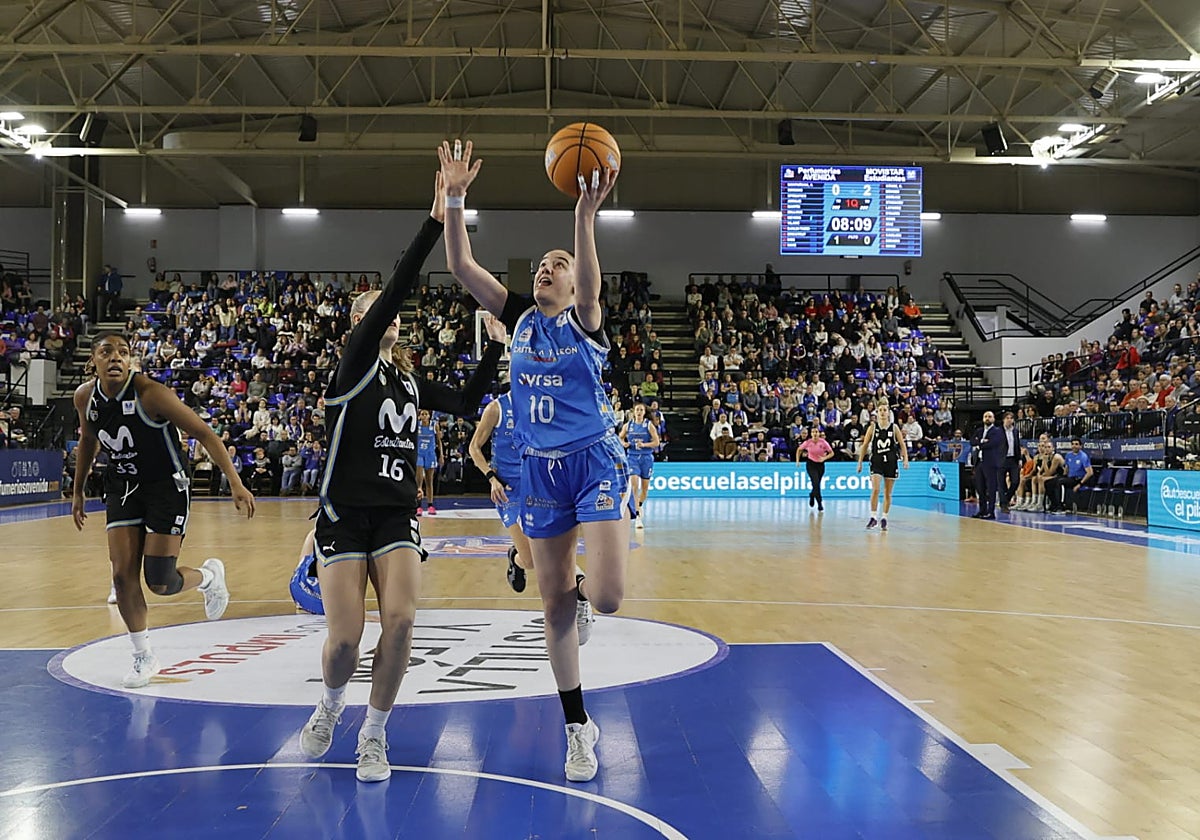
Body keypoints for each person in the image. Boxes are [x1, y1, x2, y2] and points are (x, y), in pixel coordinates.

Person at [297, 175, 507, 784]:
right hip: (341, 513)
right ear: (356, 327)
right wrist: (438, 220)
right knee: (344, 641)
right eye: (366, 311)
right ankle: (331, 705)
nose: (379, 314)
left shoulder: (409, 383)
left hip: (395, 512)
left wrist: (493, 348)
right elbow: (393, 294)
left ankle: (374, 733)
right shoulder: (353, 365)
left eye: (378, 310)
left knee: (403, 621)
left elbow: (469, 402)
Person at [440, 138, 627, 783]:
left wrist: (584, 217)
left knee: (605, 599)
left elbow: (594, 280)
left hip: (594, 460)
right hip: (540, 470)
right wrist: (456, 197)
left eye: (559, 264)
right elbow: (462, 265)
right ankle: (578, 726)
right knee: (553, 605)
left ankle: (584, 592)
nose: (547, 268)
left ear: (574, 284)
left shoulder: (586, 323)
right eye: (543, 264)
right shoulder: (518, 319)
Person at [71, 332, 255, 689]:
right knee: (122, 576)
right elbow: (88, 440)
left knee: (160, 581)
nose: (116, 359)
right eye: (107, 352)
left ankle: (208, 577)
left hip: (166, 487)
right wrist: (78, 491)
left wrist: (234, 481)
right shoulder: (84, 397)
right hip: (122, 486)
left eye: (123, 353)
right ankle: (144, 656)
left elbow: (205, 433)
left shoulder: (151, 394)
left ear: (130, 361)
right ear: (93, 360)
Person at [467, 389, 538, 593]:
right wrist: (491, 478)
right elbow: (474, 448)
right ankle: (515, 558)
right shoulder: (496, 408)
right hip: (508, 489)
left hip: (535, 485)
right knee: (530, 560)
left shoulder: (538, 404)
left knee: (550, 553)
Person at [857, 400, 909, 530]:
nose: (882, 412)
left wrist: (905, 459)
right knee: (875, 489)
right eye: (880, 410)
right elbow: (864, 445)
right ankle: (873, 517)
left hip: (891, 462)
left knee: (888, 493)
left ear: (888, 412)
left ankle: (884, 517)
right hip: (876, 461)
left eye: (885, 410)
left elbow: (902, 444)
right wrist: (860, 462)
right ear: (877, 412)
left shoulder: (894, 427)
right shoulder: (872, 427)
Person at [619, 402, 661, 529]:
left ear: (644, 412)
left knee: (645, 489)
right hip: (632, 457)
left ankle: (639, 505)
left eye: (641, 410)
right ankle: (637, 516)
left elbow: (656, 442)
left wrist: (645, 445)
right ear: (633, 411)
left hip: (646, 458)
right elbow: (620, 437)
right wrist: (624, 443)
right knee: (634, 486)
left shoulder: (648, 425)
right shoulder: (628, 425)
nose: (638, 412)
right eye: (637, 410)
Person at [1046, 437, 1093, 514]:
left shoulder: (1083, 457)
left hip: (1078, 479)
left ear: (1080, 446)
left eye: (1076, 444)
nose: (1074, 446)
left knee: (1060, 483)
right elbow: (1066, 469)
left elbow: (1090, 473)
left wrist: (1080, 484)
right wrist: (1060, 476)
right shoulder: (1068, 455)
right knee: (1049, 483)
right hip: (1069, 477)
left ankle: (1061, 507)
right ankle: (1053, 504)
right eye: (1073, 444)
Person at [973, 410, 1003, 519]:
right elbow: (972, 441)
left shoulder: (997, 431)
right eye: (985, 416)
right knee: (980, 488)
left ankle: (991, 511)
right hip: (979, 462)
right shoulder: (979, 430)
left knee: (991, 488)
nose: (987, 418)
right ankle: (982, 510)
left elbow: (993, 443)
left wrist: (979, 444)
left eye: (989, 416)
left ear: (993, 419)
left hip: (990, 462)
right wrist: (982, 442)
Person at [796, 425, 834, 511]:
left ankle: (812, 495)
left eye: (816, 432)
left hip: (820, 465)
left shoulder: (823, 442)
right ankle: (820, 503)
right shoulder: (808, 442)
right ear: (811, 434)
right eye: (813, 432)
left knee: (816, 484)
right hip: (811, 464)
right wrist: (797, 461)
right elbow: (799, 450)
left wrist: (824, 458)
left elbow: (831, 453)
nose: (815, 434)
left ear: (819, 433)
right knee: (815, 482)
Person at [415, 409, 442, 515]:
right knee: (419, 482)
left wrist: (441, 455)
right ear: (419, 416)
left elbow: (438, 441)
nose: (424, 416)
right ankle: (418, 506)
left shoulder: (434, 425)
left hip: (430, 454)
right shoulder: (417, 425)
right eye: (422, 414)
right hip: (419, 454)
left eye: (426, 414)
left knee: (429, 481)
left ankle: (430, 505)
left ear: (429, 416)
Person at [996, 411, 1022, 513]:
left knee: (1015, 481)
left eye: (1011, 418)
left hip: (1013, 459)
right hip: (1001, 459)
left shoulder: (1015, 431)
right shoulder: (998, 431)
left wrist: (1019, 458)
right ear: (1003, 420)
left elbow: (1017, 445)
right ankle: (1004, 505)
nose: (1009, 420)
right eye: (1007, 418)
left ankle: (1006, 499)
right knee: (1001, 483)